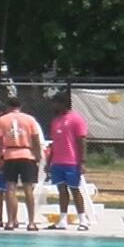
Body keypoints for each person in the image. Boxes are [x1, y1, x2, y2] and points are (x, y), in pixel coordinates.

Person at [0, 95, 44, 231]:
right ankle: (31, 222)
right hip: (27, 154)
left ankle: (10, 221)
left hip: (10, 154)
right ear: (20, 107)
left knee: (10, 188)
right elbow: (36, 139)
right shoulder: (29, 119)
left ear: (8, 107)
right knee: (28, 189)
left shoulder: (2, 120)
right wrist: (38, 156)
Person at [47, 93, 90, 230]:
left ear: (62, 103)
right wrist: (49, 162)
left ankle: (83, 220)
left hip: (71, 161)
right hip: (57, 162)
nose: (53, 106)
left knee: (74, 190)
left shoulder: (76, 119)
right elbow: (54, 143)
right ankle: (63, 219)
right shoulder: (55, 121)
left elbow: (81, 141)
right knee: (61, 190)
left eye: (56, 103)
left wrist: (82, 161)